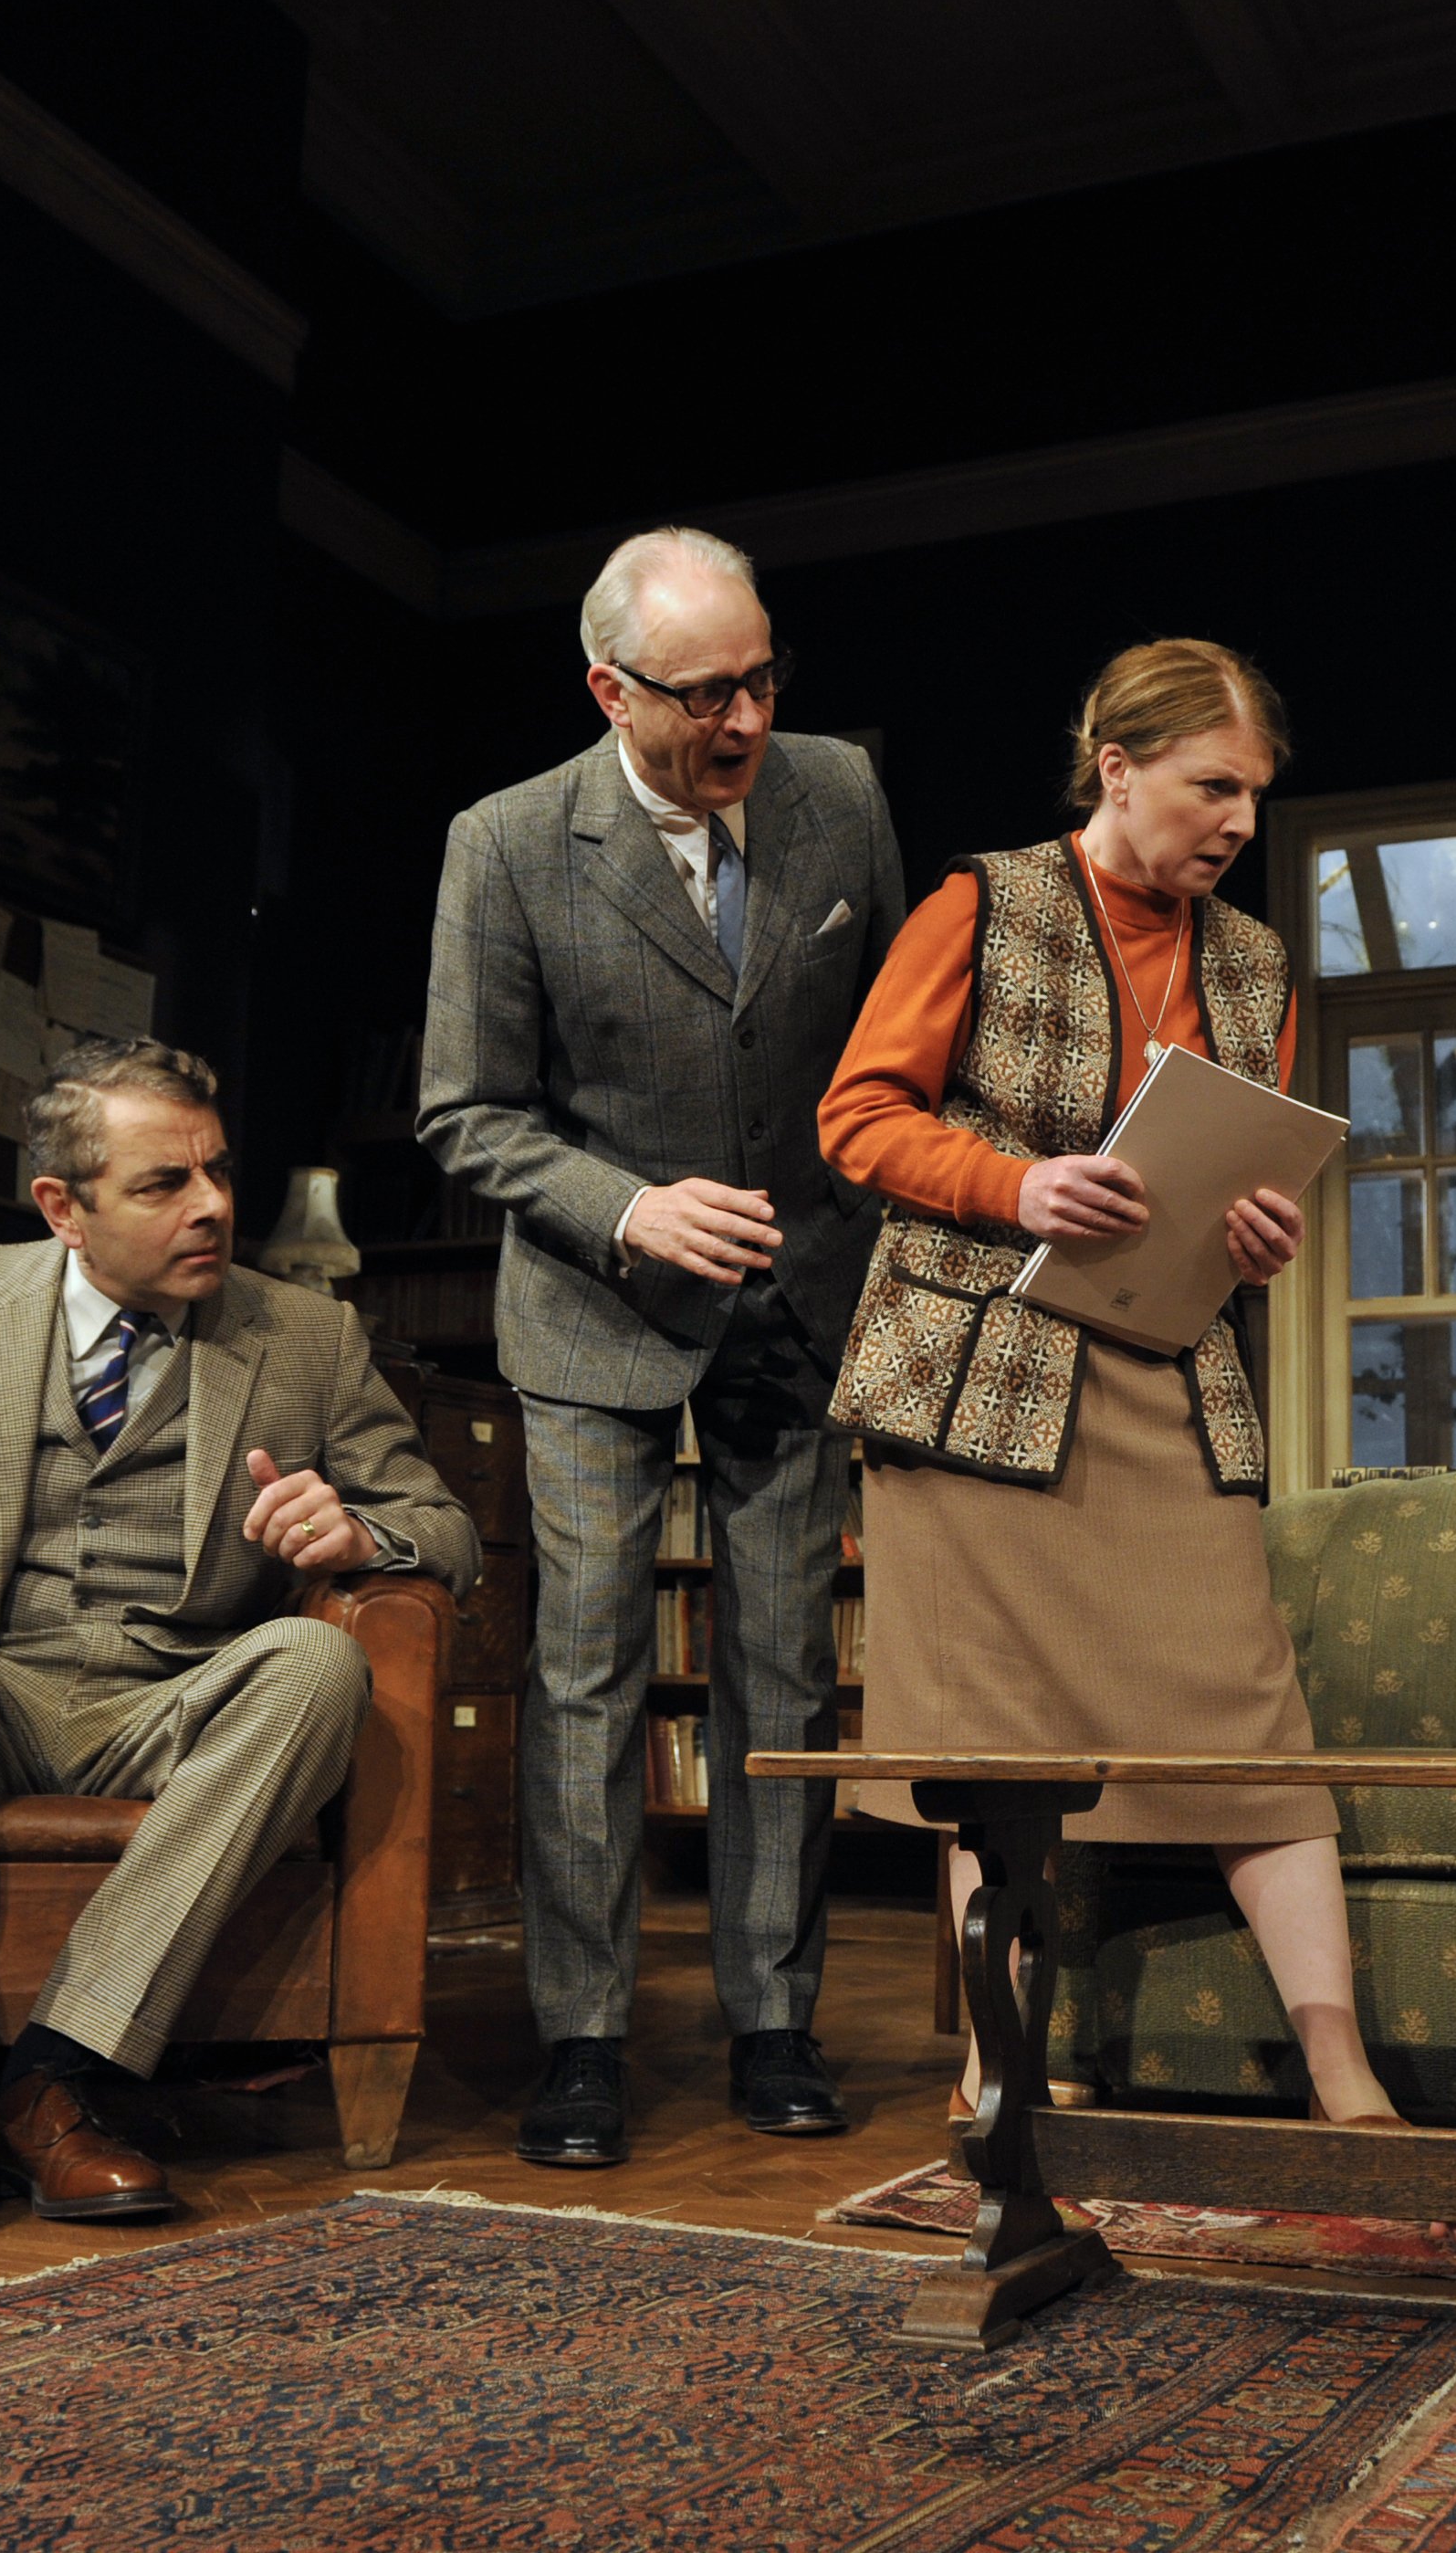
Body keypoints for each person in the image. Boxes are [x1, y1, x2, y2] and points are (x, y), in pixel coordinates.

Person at [0, 1040, 478, 2239]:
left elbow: (446, 1529)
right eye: (165, 1185)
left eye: (218, 1171)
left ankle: (60, 2075)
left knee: (322, 1664)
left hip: (167, 1707)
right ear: (63, 1207)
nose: (214, 1206)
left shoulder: (307, 1336)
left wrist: (360, 1531)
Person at [816, 637, 1399, 2130]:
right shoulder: (987, 902)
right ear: (1119, 767)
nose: (1239, 824)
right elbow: (859, 1119)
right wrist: (1017, 1186)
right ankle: (1002, 2059)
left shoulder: (1253, 959)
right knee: (996, 1748)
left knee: (1246, 1717)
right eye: (1214, 787)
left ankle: (1341, 2068)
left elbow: (1235, 1176)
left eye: (1257, 797)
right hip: (974, 1389)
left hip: (1164, 1372)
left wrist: (1258, 1236)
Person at [418, 527, 906, 2166]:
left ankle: (775, 2018)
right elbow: (466, 1115)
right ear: (608, 689)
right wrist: (629, 1212)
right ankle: (584, 2038)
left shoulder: (840, 794)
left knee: (784, 1668)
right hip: (595, 1309)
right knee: (584, 1674)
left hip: (795, 1300)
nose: (747, 720)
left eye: (765, 678)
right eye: (706, 693)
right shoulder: (506, 845)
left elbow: (883, 1054)